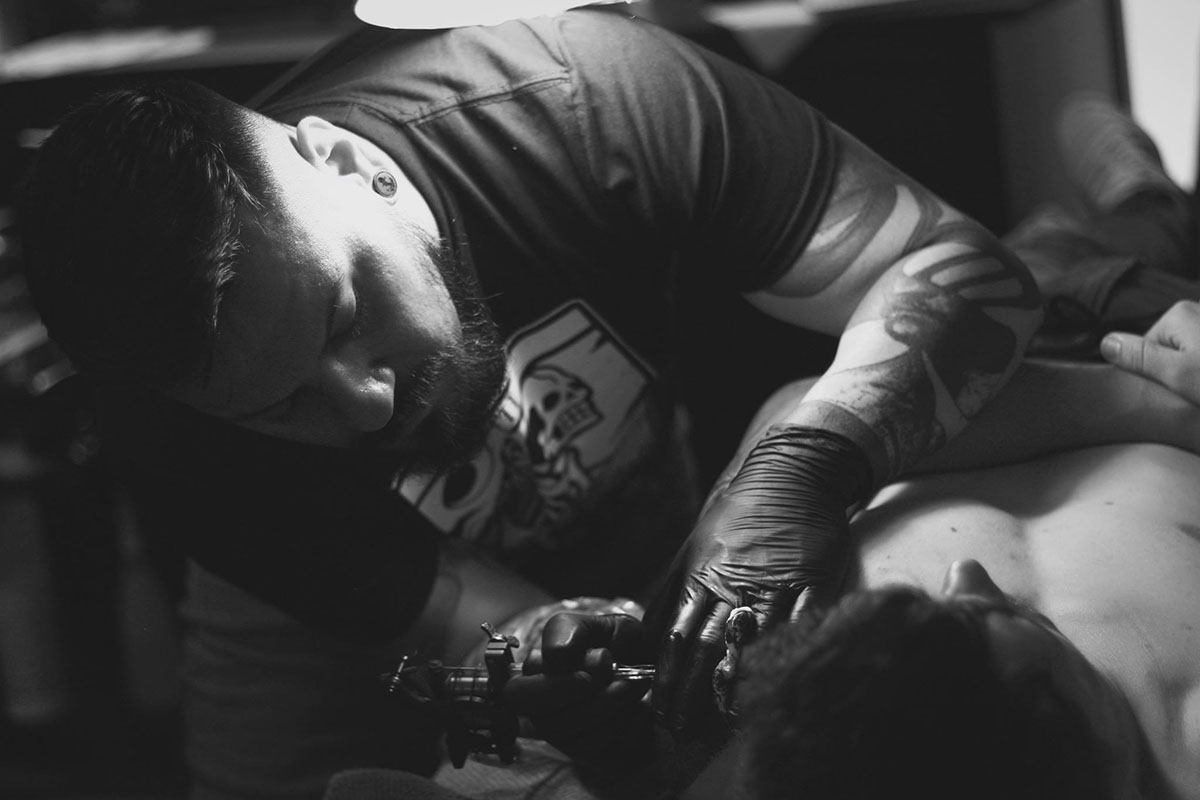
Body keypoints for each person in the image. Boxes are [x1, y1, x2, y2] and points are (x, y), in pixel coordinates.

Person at [16, 5, 1070, 798]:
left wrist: (808, 461)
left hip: (637, 493)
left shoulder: (585, 97)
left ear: (339, 162)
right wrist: (554, 664)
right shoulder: (172, 426)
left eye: (341, 315)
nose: (365, 405)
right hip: (310, 619)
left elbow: (967, 273)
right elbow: (466, 613)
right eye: (278, 404)